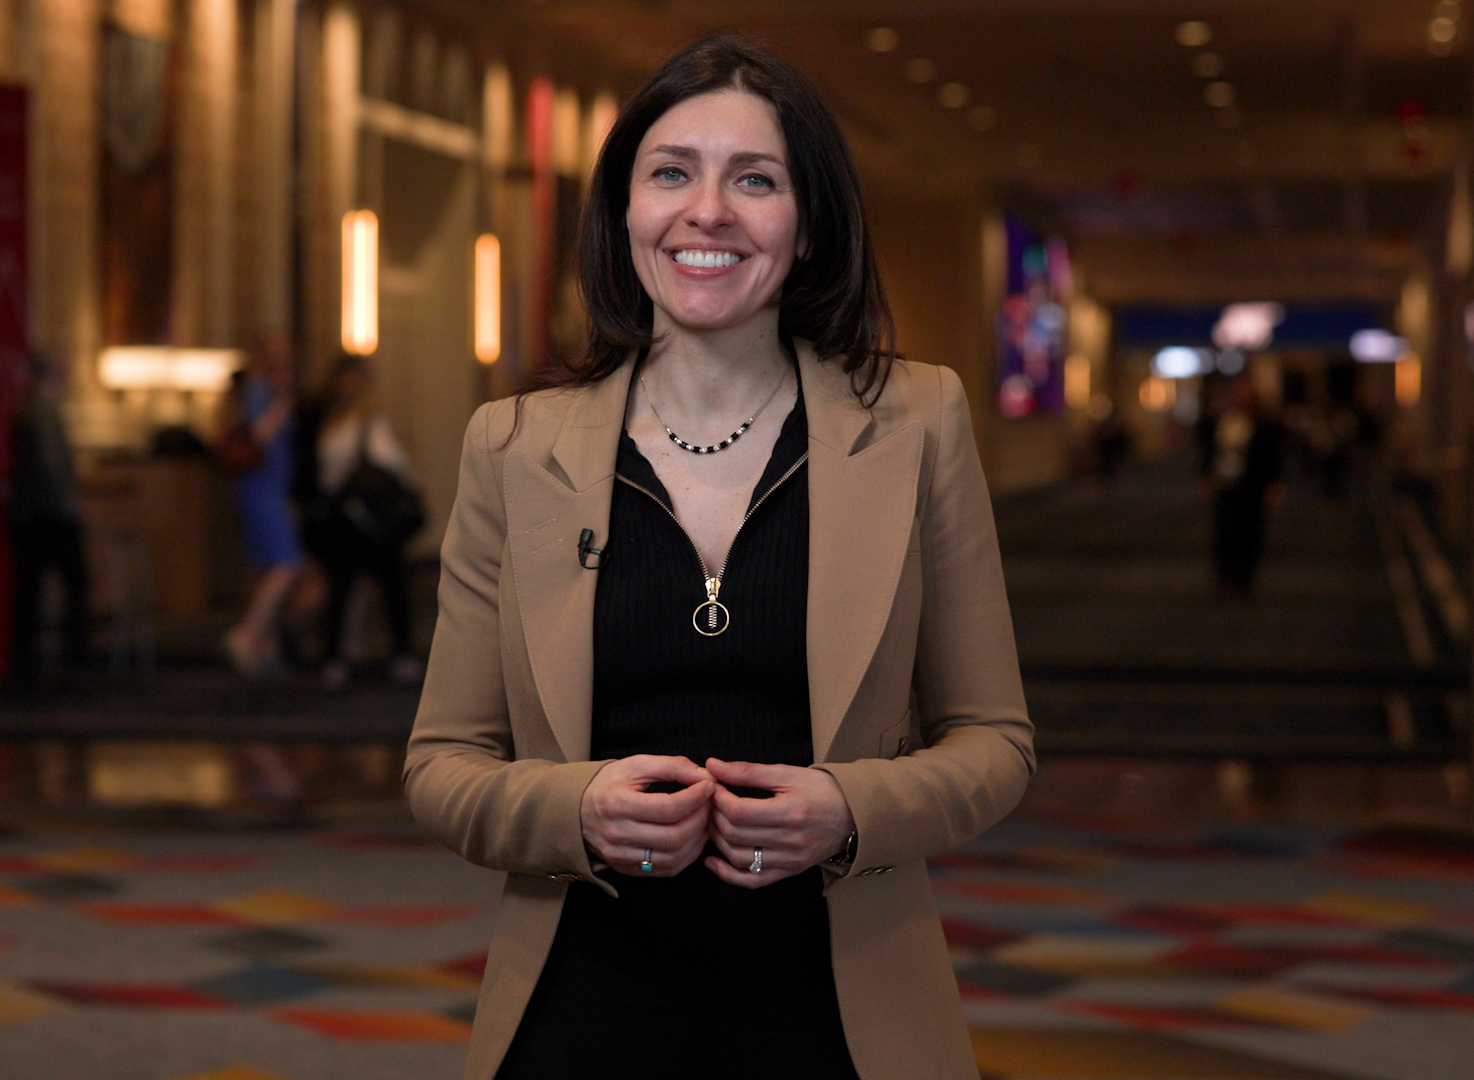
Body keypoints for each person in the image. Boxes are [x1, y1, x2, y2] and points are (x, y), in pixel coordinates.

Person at [403, 37, 1034, 1080]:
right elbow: (442, 764)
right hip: (581, 1006)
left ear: (810, 223)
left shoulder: (917, 422)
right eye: (671, 174)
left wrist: (852, 811)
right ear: (624, 211)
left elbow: (996, 740)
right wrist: (574, 809)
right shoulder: (512, 447)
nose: (707, 212)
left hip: (838, 1010)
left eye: (754, 180)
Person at [301, 354, 423, 689]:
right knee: (385, 586)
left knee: (347, 587)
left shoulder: (333, 423)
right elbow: (395, 463)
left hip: (347, 517)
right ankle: (394, 653)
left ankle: (339, 656)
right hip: (364, 519)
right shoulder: (362, 423)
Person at [221, 333, 304, 678]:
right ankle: (248, 633)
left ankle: (264, 643)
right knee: (286, 563)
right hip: (260, 488)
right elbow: (259, 435)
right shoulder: (259, 391)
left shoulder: (273, 390)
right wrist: (283, 403)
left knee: (266, 568)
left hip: (274, 487)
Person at [8, 352, 90, 686]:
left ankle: (25, 661)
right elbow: (51, 465)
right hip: (50, 515)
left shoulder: (28, 408)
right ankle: (74, 656)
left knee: (29, 589)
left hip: (31, 514)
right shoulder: (44, 411)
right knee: (75, 582)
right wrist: (70, 505)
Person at [1204, 372, 1286, 597]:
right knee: (1224, 532)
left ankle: (1244, 579)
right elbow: (1210, 450)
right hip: (1226, 483)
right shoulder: (1221, 420)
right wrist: (1207, 476)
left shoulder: (1264, 424)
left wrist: (1274, 484)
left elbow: (1272, 456)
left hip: (1252, 485)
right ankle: (1225, 577)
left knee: (1250, 533)